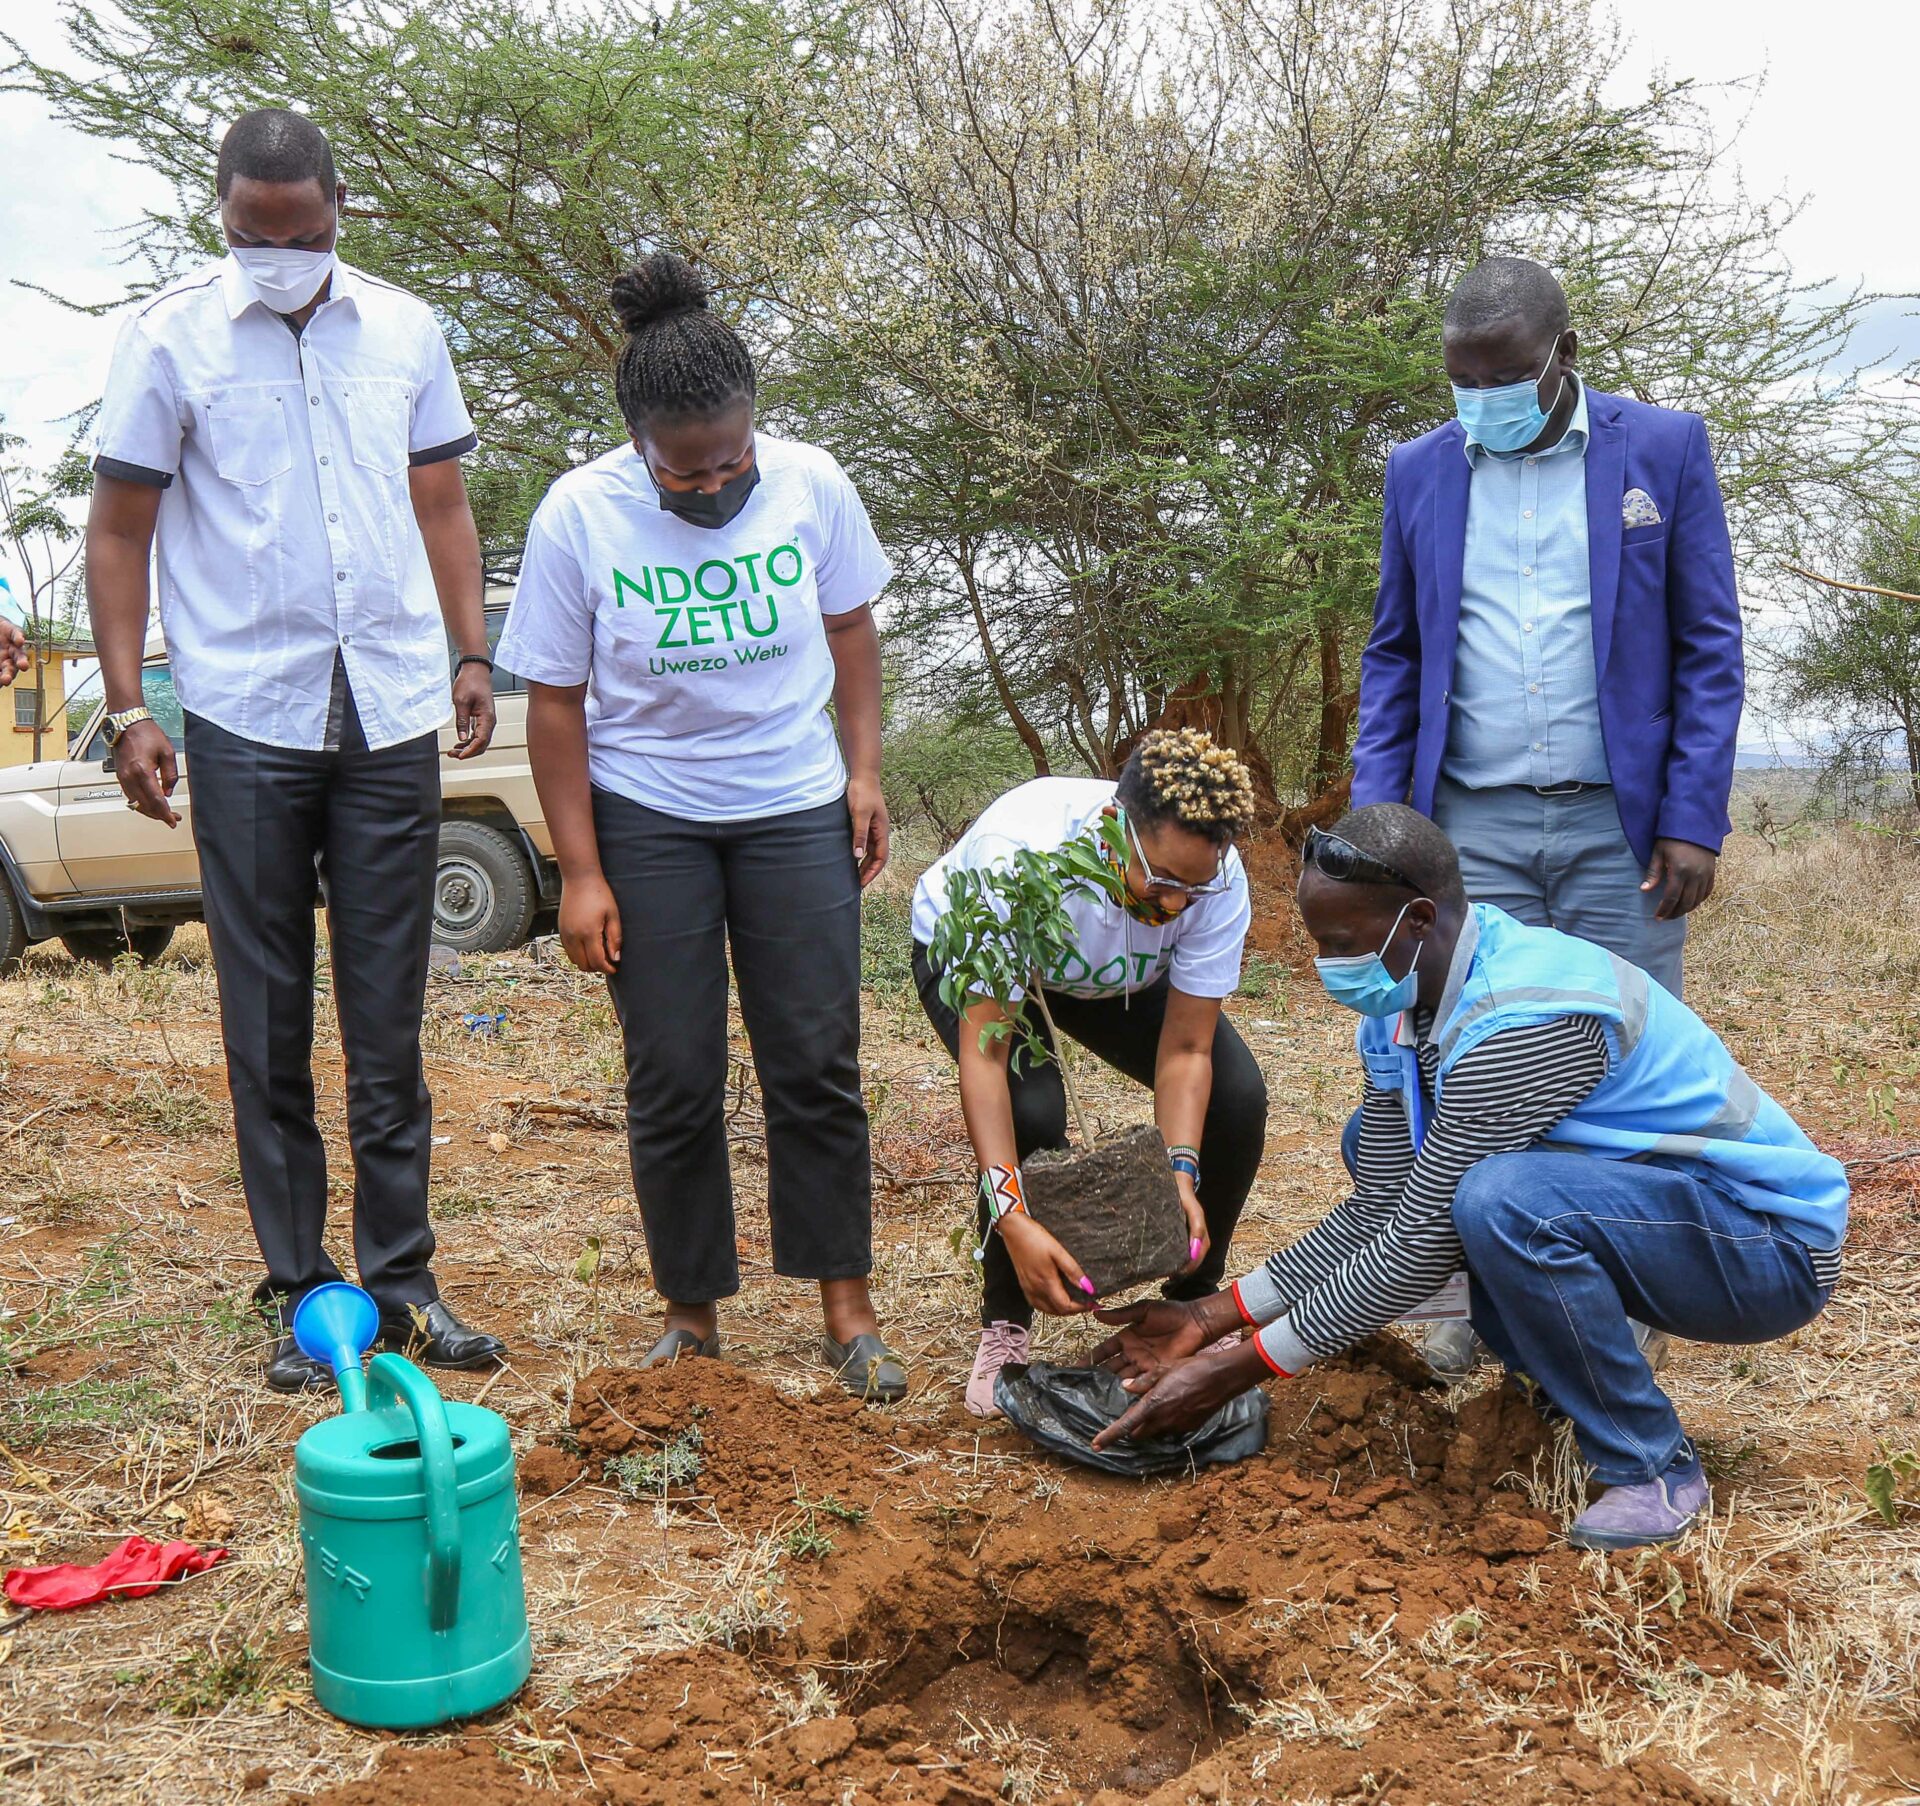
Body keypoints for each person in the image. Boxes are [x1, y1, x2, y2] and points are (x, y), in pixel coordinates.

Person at [1091, 804, 1846, 1552]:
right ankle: (1558, 1397)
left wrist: (1234, 1367)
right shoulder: (1403, 1004)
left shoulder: (1521, 1018)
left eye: (1343, 942)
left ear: (1418, 918)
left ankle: (1653, 1466)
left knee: (1496, 1203)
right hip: (1651, 1216)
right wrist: (1208, 1318)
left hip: (1762, 1247)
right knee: (1394, 1153)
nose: (1328, 967)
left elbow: (1420, 1242)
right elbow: (1381, 1208)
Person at [85, 109, 506, 1391]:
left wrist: (470, 651)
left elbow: (441, 499)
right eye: (253, 237)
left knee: (388, 1015)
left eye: (305, 234)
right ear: (221, 214)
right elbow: (118, 530)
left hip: (385, 706)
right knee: (266, 1018)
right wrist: (127, 706)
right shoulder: (166, 337)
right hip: (246, 713)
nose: (281, 256)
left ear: (338, 209)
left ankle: (401, 1283)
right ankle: (301, 1289)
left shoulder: (407, 331)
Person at [498, 251, 905, 1401]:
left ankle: (846, 1307)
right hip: (651, 818)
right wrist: (580, 871)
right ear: (640, 443)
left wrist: (863, 772)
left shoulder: (813, 483)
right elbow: (558, 706)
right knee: (671, 1073)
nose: (715, 484)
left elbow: (853, 631)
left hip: (789, 805)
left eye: (733, 459)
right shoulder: (580, 514)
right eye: (686, 473)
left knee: (814, 1062)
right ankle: (691, 1315)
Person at [1350, 257, 1742, 1003]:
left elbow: (1709, 648)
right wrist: (1377, 825)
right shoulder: (1416, 471)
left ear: (1565, 352)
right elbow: (1396, 655)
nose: (1484, 399)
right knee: (1482, 1038)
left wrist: (1693, 819)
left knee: (1627, 1037)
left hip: (1621, 827)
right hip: (1471, 827)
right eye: (1464, 382)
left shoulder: (1664, 448)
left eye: (1506, 378)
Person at [911, 729, 1269, 1416]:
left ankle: (1191, 1306)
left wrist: (1180, 1175)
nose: (1173, 906)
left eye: (1191, 891)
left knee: (1236, 1095)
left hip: (1115, 979)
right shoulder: (1014, 860)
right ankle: (1005, 1323)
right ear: (1114, 827)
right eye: (1161, 881)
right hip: (978, 954)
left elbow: (1188, 1050)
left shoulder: (1210, 878)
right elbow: (985, 1058)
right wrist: (1013, 1216)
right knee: (1032, 1111)